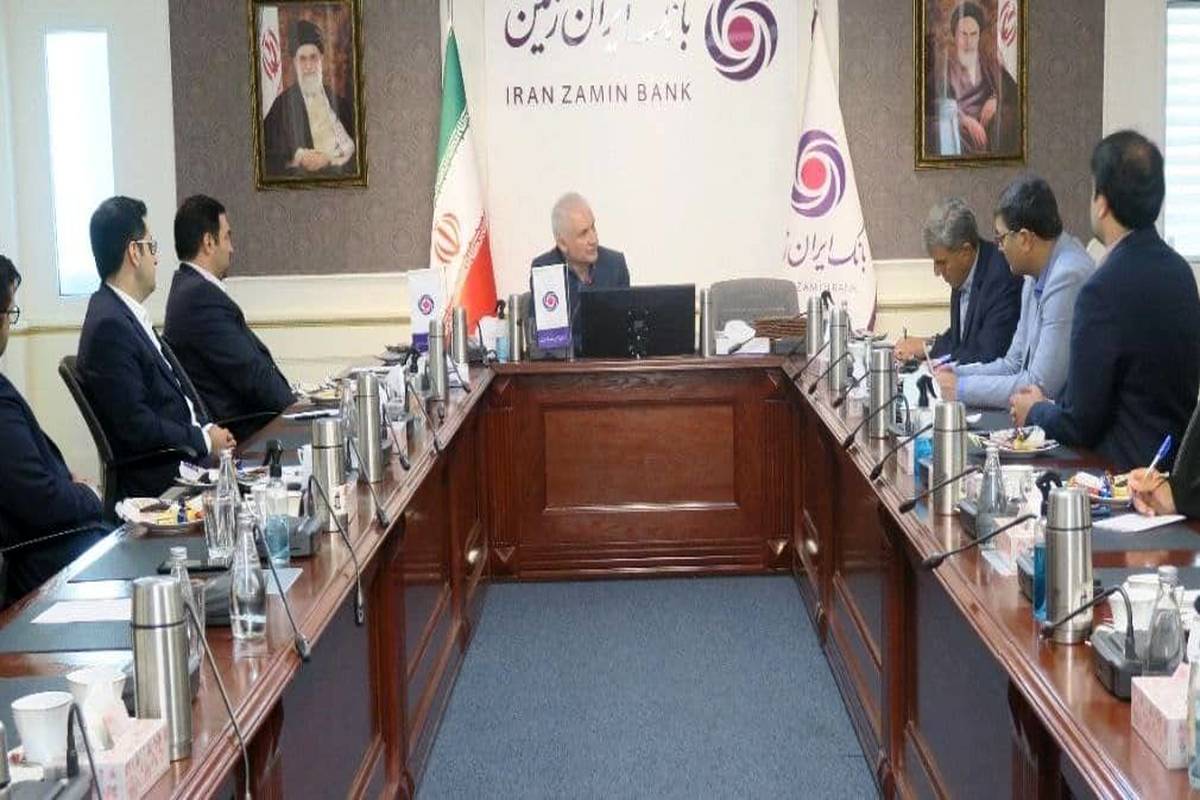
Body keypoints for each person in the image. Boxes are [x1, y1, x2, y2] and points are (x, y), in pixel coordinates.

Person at [1011, 131, 1200, 471]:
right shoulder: (1181, 274)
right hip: (1171, 478)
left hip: (1114, 478)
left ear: (1102, 203)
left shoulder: (1101, 289)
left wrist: (1035, 411)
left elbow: (1080, 423)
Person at [76, 196, 236, 499]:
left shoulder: (123, 314)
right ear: (134, 252)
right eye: (152, 247)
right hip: (164, 485)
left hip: (191, 463)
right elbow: (137, 426)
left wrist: (207, 431)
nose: (157, 259)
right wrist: (203, 440)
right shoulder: (110, 326)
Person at [0, 256, 108, 604]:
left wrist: (66, 482)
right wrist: (88, 495)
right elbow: (38, 500)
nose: (10, 324)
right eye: (10, 313)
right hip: (35, 557)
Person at [934, 176, 1094, 408]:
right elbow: (1013, 364)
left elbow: (1039, 386)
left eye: (1001, 238)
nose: (999, 248)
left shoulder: (1067, 276)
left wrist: (961, 389)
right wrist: (956, 373)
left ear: (1025, 239)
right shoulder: (1032, 274)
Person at [164, 195, 294, 440]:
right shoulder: (200, 298)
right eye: (227, 237)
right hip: (247, 435)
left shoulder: (189, 289)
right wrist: (298, 412)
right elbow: (252, 375)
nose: (231, 249)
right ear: (208, 242)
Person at [895, 197, 1021, 364]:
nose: (937, 272)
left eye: (941, 262)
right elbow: (959, 340)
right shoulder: (962, 272)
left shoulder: (1001, 278)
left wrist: (930, 358)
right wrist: (928, 346)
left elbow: (986, 355)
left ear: (965, 252)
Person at [530, 192, 630, 353]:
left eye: (593, 227)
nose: (594, 239)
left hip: (608, 363)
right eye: (583, 233)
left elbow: (624, 331)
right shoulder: (545, 270)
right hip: (563, 366)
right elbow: (548, 342)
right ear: (562, 243)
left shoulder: (614, 265)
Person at [262, 19, 357, 177]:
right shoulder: (281, 106)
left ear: (322, 59)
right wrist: (297, 156)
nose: (308, 66)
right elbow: (265, 157)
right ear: (294, 62)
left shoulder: (340, 104)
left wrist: (330, 160)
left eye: (313, 58)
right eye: (302, 59)